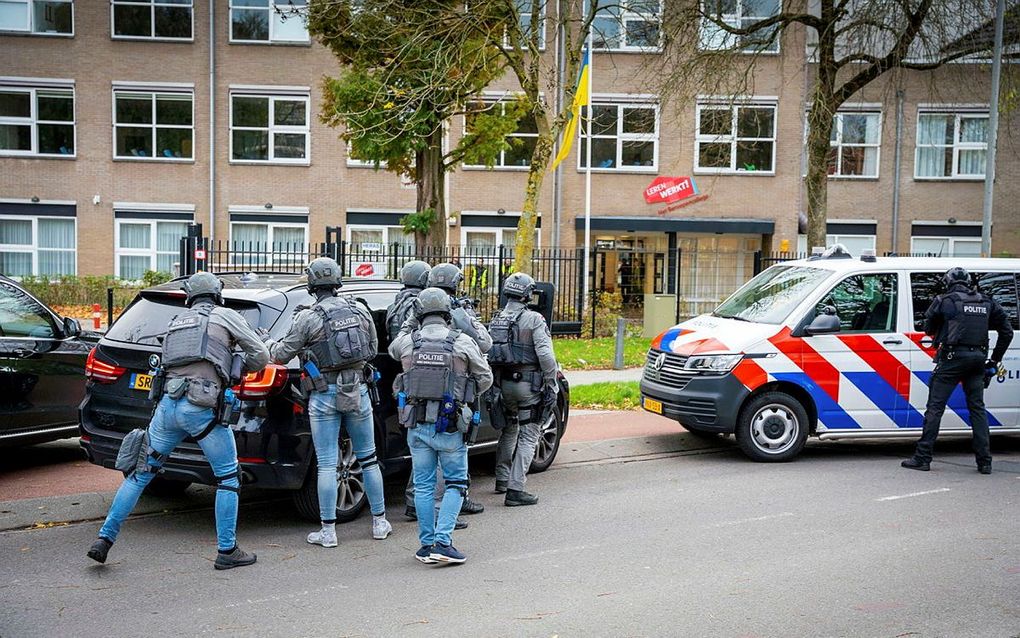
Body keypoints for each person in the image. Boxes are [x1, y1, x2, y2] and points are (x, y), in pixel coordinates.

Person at [87, 272, 269, 570]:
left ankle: (104, 539)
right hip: (201, 408)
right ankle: (227, 550)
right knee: (227, 477)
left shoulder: (176, 322)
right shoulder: (225, 316)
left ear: (190, 297)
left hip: (168, 406)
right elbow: (260, 355)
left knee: (141, 472)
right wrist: (233, 366)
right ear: (216, 294)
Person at [265, 257, 391, 547]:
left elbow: (281, 354)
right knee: (369, 458)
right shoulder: (359, 309)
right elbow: (372, 349)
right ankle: (380, 522)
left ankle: (328, 532)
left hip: (323, 394)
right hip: (357, 390)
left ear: (311, 284)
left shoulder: (307, 318)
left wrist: (266, 343)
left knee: (326, 464)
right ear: (337, 281)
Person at [389, 288, 492, 564]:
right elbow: (485, 378)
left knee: (423, 486)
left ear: (419, 313)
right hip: (451, 425)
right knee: (456, 483)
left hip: (417, 424)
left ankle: (426, 544)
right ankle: (443, 543)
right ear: (448, 313)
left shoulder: (408, 342)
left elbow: (392, 348)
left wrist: (411, 321)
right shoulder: (463, 342)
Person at [397, 261, 490, 517]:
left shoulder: (408, 311)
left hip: (415, 398)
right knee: (450, 468)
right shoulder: (458, 317)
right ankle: (445, 516)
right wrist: (467, 394)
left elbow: (397, 347)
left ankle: (420, 512)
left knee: (423, 468)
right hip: (452, 399)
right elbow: (485, 346)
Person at [902, 267, 1013, 474]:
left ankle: (923, 457)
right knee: (977, 409)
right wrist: (994, 361)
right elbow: (1006, 332)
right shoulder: (986, 302)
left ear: (948, 282)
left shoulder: (945, 301)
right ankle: (985, 462)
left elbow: (928, 328)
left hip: (952, 359)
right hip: (978, 360)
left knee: (935, 408)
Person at [488, 273, 559, 506]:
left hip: (503, 385)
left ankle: (501, 479)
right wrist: (551, 383)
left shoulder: (496, 318)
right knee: (529, 434)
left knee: (509, 429)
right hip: (528, 385)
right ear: (528, 294)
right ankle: (515, 490)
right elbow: (546, 356)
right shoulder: (534, 319)